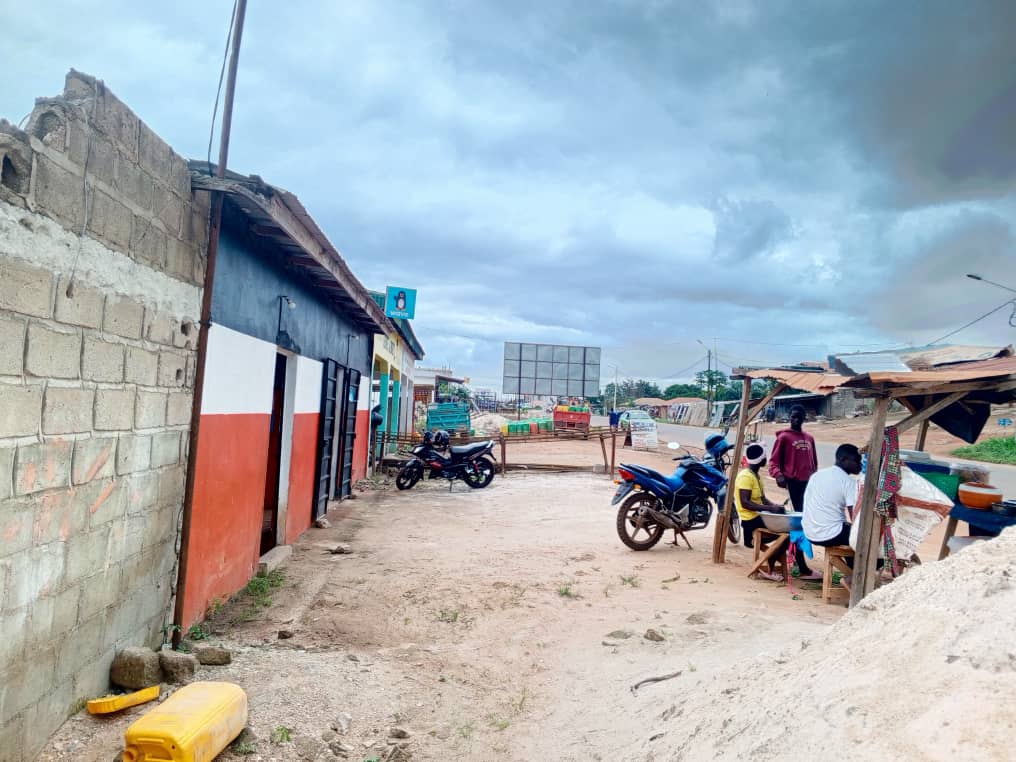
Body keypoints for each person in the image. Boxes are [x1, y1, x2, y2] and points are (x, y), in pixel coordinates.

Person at [735, 444, 799, 581]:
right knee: (789, 532)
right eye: (765, 457)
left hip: (759, 517)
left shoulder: (755, 476)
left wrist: (776, 507)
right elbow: (745, 503)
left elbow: (762, 499)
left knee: (792, 528)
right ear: (762, 460)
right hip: (751, 522)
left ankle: (773, 557)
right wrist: (770, 509)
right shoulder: (745, 476)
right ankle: (771, 560)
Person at [803, 443, 863, 589]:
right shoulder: (848, 482)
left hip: (810, 532)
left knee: (850, 533)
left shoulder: (817, 475)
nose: (860, 465)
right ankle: (855, 577)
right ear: (843, 459)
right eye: (856, 461)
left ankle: (852, 573)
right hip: (830, 533)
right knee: (864, 538)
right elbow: (854, 516)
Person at [769, 404, 818, 512]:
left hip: (809, 481)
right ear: (789, 417)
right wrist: (778, 475)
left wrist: (815, 476)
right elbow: (773, 461)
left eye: (799, 417)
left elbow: (814, 461)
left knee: (810, 510)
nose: (796, 420)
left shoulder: (809, 438)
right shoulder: (783, 437)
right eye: (793, 417)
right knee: (798, 510)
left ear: (804, 418)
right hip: (793, 482)